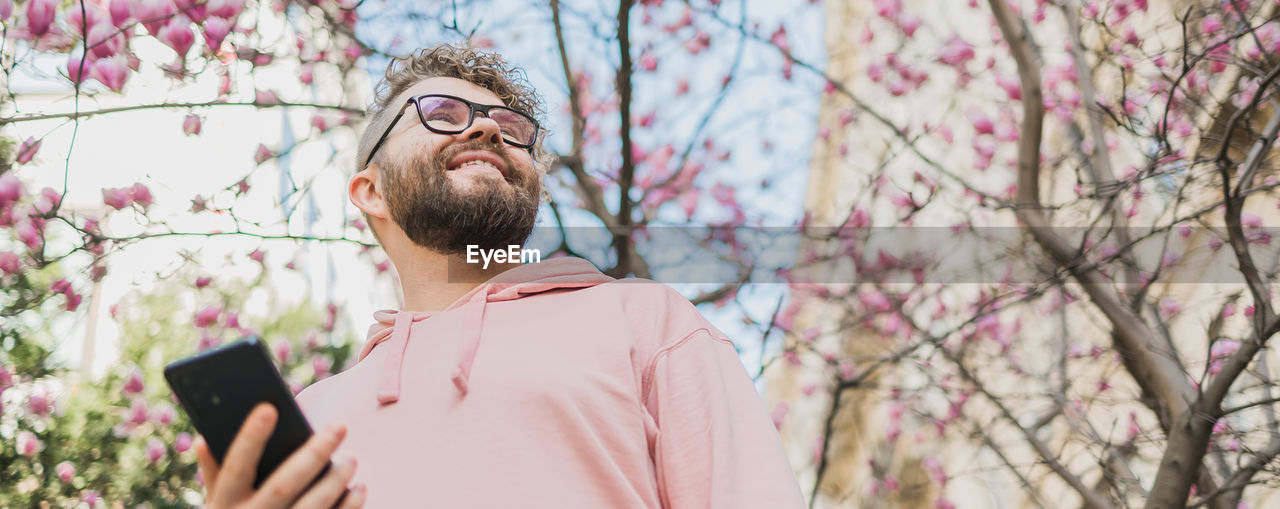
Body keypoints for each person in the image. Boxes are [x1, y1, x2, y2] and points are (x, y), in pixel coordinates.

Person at [193, 43, 805, 508]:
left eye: (511, 129)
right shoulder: (309, 417)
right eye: (441, 113)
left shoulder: (644, 319)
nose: (486, 128)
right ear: (370, 191)